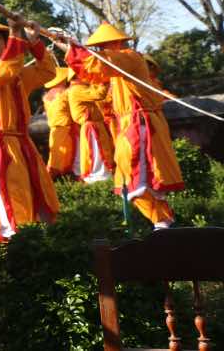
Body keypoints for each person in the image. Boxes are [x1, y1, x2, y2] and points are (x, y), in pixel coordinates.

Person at [59, 23, 184, 228]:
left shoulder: (128, 57)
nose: (101, 51)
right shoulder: (118, 70)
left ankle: (163, 224)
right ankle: (164, 223)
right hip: (130, 125)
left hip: (139, 125)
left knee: (133, 182)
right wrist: (68, 47)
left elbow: (97, 66)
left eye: (103, 46)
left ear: (116, 43)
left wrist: (72, 48)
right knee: (133, 182)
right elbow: (97, 75)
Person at [0, 18, 59, 242]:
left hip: (23, 143)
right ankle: (14, 245)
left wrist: (34, 42)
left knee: (36, 192)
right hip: (1, 146)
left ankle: (36, 243)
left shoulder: (16, 73)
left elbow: (48, 72)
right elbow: (4, 71)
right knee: (11, 196)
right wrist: (16, 34)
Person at [66, 72, 114, 183]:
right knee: (96, 153)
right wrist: (104, 79)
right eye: (84, 74)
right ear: (77, 76)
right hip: (91, 127)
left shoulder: (80, 88)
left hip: (94, 125)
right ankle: (99, 178)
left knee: (101, 151)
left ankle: (102, 176)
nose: (87, 76)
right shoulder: (77, 89)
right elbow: (99, 95)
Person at [42, 67, 76, 179]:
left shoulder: (46, 97)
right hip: (65, 129)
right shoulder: (65, 93)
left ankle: (52, 177)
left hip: (54, 130)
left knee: (55, 155)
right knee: (67, 156)